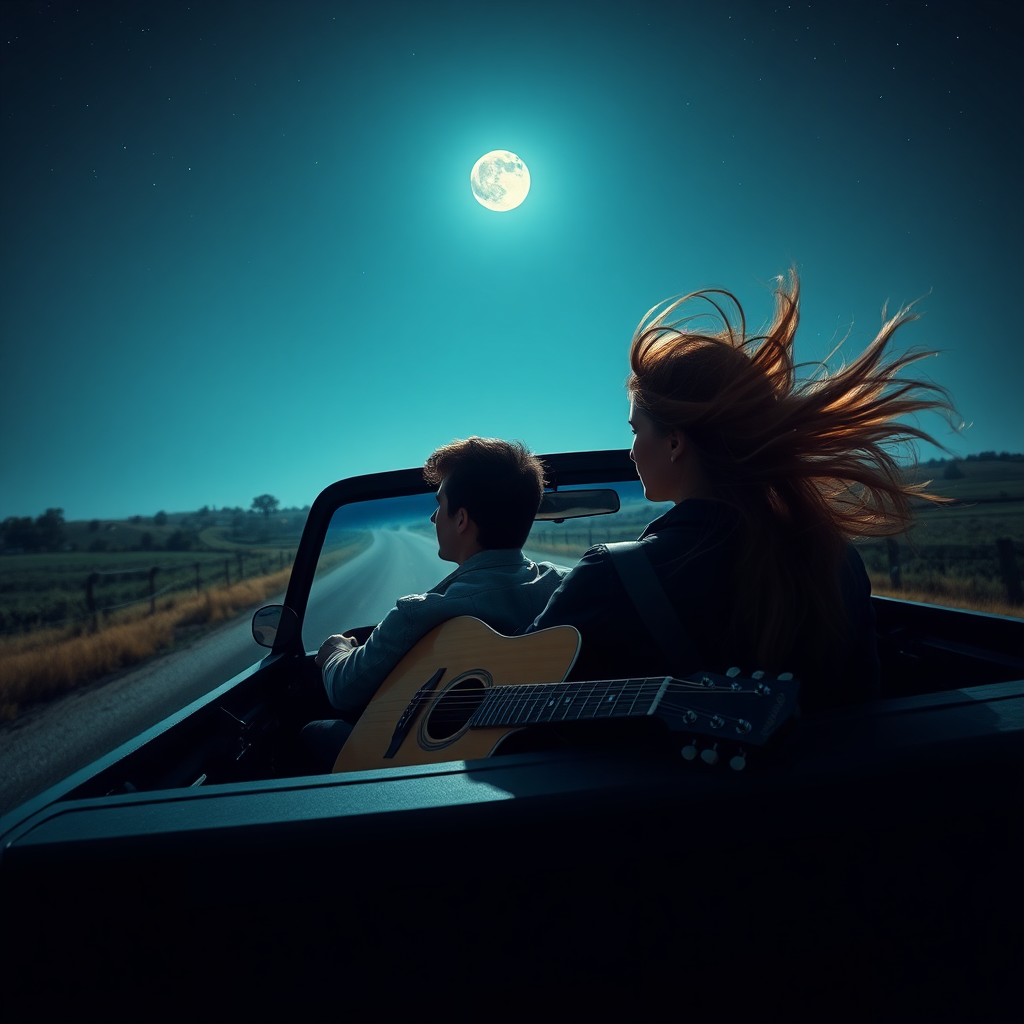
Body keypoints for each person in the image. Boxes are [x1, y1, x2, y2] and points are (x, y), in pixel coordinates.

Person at [527, 269, 957, 708]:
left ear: (675, 442)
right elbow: (866, 704)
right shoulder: (837, 560)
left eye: (636, 431)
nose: (633, 453)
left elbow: (509, 693)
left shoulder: (607, 576)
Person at [304, 437, 569, 769]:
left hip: (434, 776)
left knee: (311, 733)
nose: (433, 517)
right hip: (547, 765)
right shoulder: (571, 584)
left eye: (439, 503)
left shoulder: (422, 612)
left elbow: (343, 690)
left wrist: (335, 653)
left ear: (460, 520)